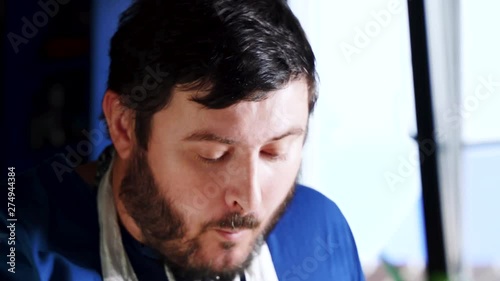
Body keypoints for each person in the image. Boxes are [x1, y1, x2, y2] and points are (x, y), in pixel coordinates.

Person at [1, 0, 364, 280]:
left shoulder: (321, 232)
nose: (250, 200)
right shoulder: (18, 245)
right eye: (214, 154)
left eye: (275, 151)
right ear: (124, 125)